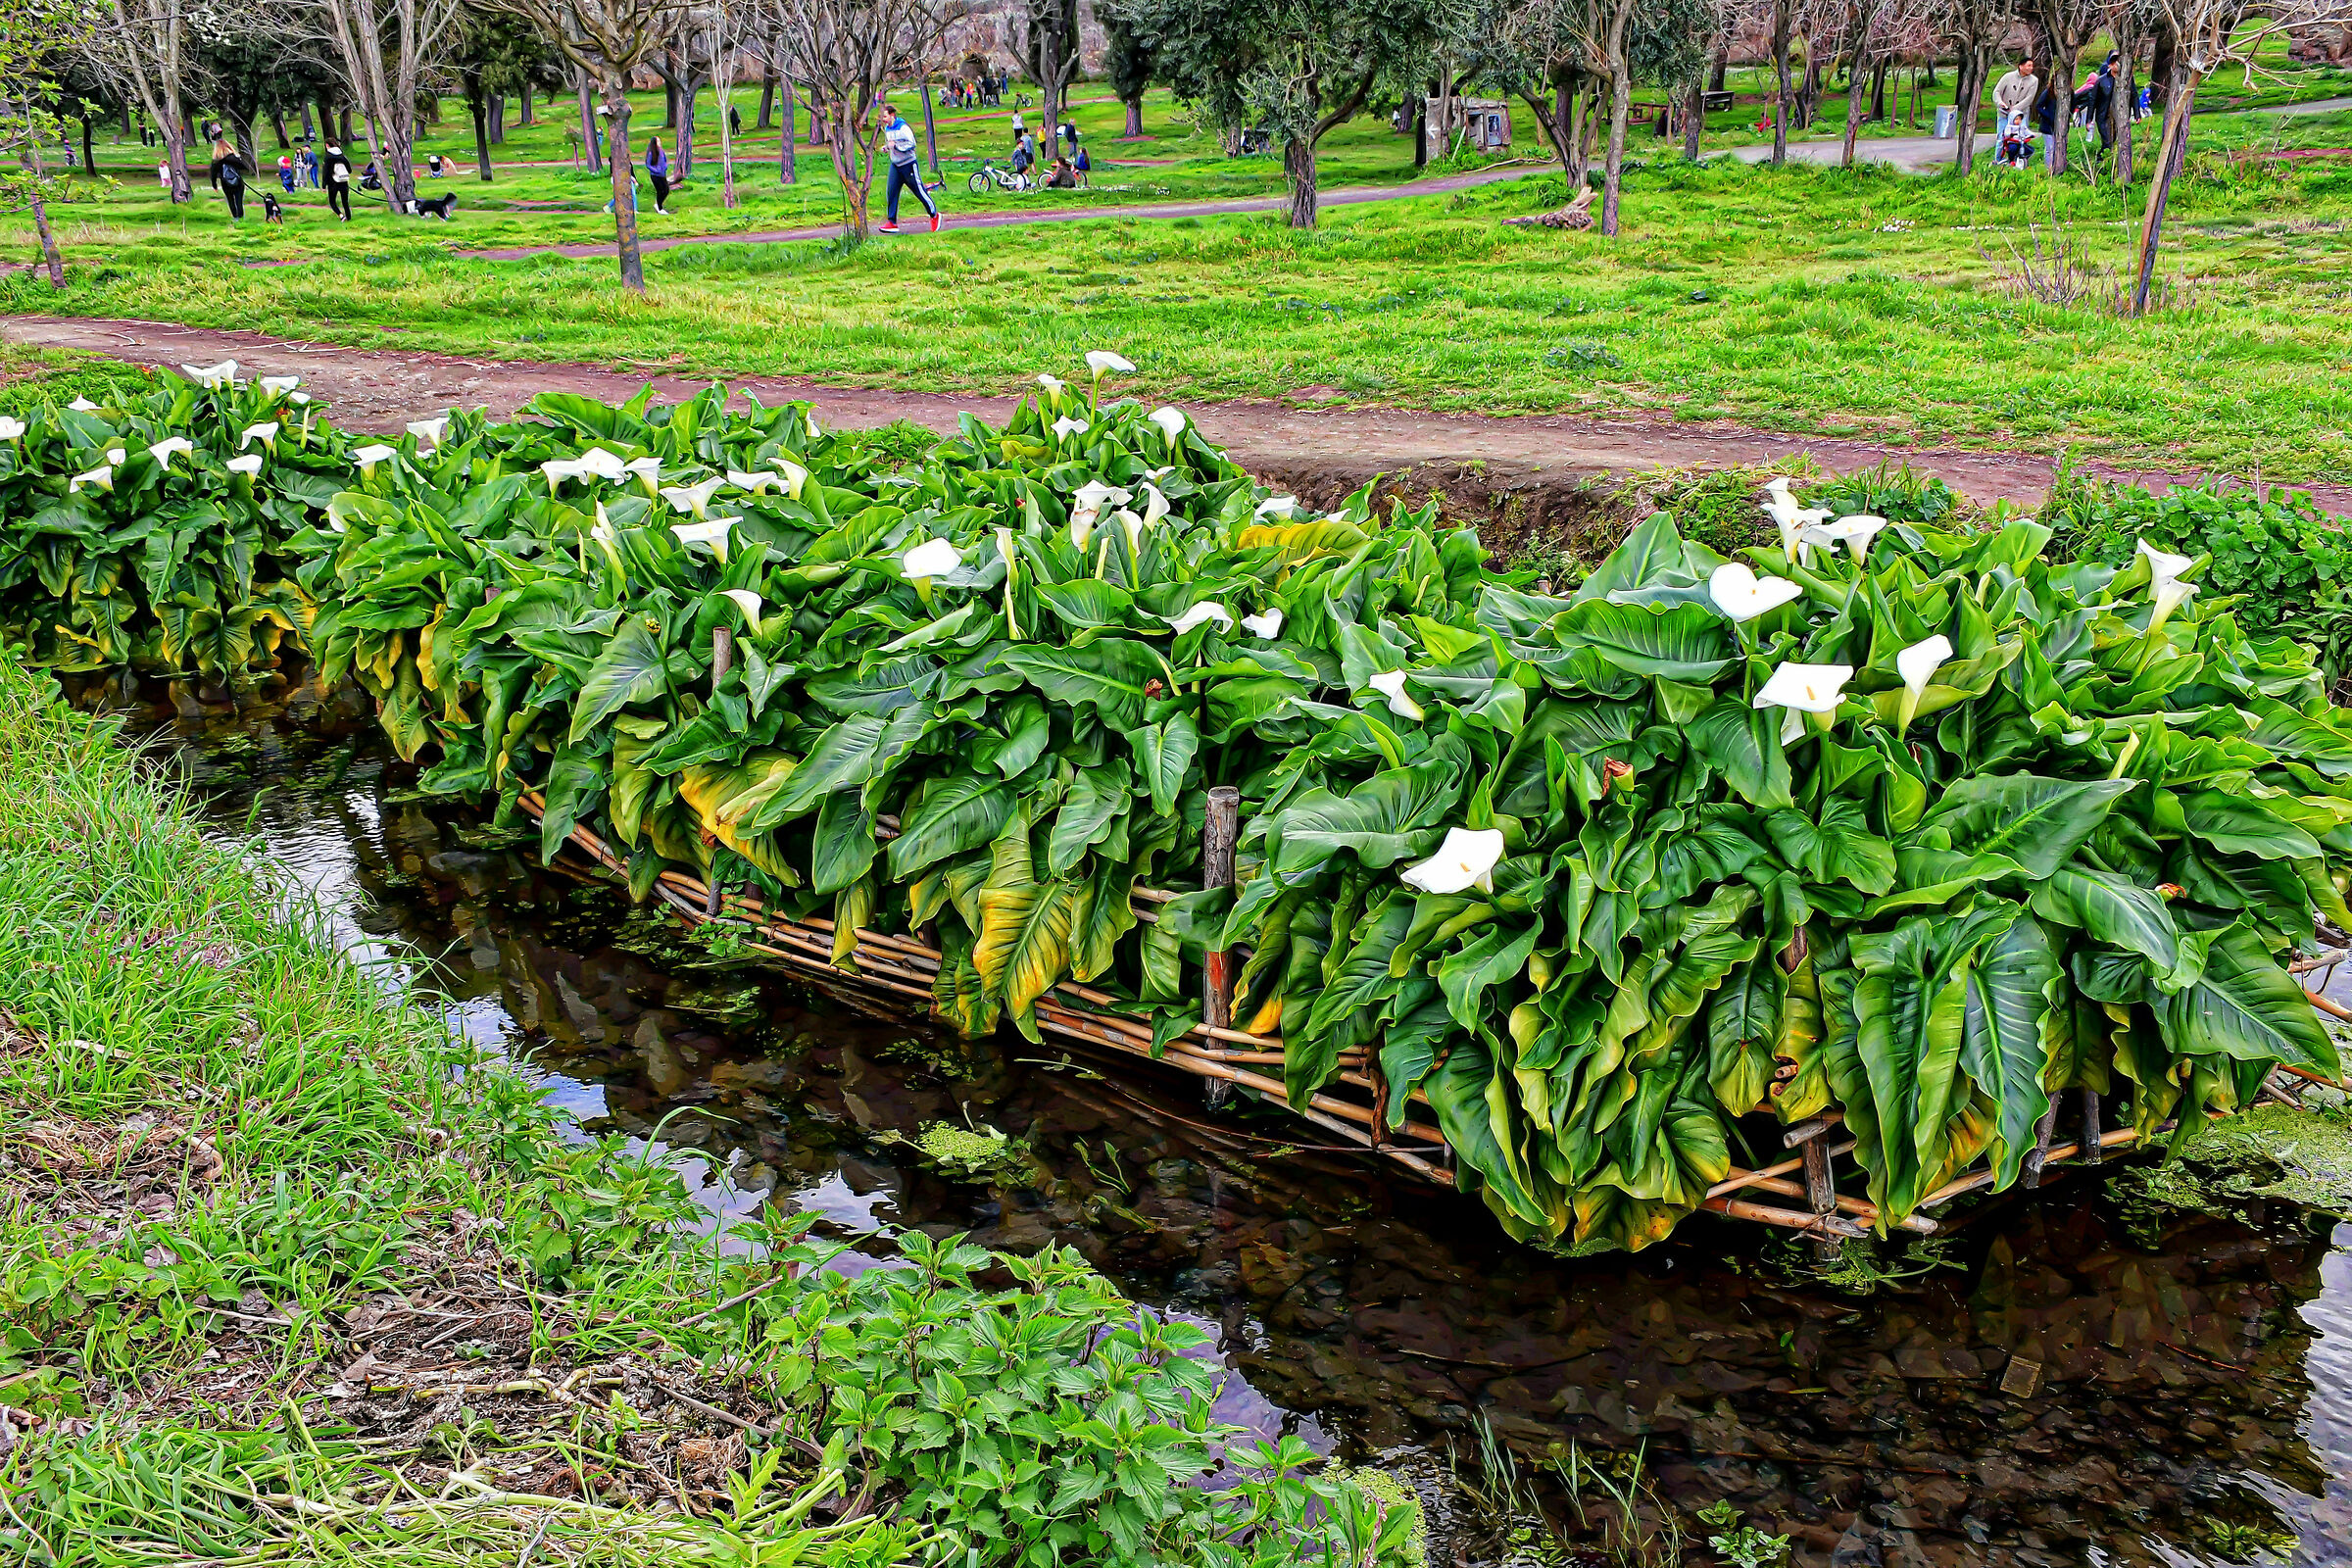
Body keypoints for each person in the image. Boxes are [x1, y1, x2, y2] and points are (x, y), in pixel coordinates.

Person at [877, 100, 939, 232]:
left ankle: (934, 215)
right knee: (891, 192)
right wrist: (887, 147)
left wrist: (897, 147)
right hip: (896, 165)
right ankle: (892, 222)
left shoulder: (903, 128)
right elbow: (891, 143)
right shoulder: (887, 129)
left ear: (892, 115)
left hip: (909, 164)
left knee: (919, 192)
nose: (883, 119)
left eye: (885, 116)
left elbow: (912, 144)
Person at [1991, 57, 2037, 142]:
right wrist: (2000, 103)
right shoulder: (2008, 77)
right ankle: (1999, 155)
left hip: (2021, 114)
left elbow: (2029, 98)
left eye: (2032, 66)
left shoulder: (2034, 81)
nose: (2031, 68)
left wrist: (2015, 108)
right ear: (2021, 66)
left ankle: (2019, 155)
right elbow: (1997, 92)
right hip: (2004, 113)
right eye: (2029, 65)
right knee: (2001, 139)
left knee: (2021, 139)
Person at [211, 138, 249, 220]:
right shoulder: (233, 157)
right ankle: (241, 217)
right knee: (239, 200)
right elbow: (244, 167)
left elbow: (213, 174)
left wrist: (215, 186)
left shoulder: (216, 161)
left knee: (230, 200)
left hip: (225, 183)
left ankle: (235, 217)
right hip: (238, 181)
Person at [323, 141, 353, 219]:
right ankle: (348, 217)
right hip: (343, 180)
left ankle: (340, 215)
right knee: (345, 201)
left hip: (332, 182)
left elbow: (325, 171)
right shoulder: (342, 155)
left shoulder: (328, 156)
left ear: (327, 145)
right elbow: (349, 170)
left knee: (332, 201)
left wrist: (324, 185)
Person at [646, 136, 669, 214]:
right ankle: (660, 208)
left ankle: (658, 204)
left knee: (666, 190)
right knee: (660, 190)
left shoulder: (662, 151)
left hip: (662, 174)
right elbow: (648, 164)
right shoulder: (651, 153)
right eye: (658, 141)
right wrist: (656, 170)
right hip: (655, 175)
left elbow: (665, 161)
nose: (660, 142)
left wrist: (665, 167)